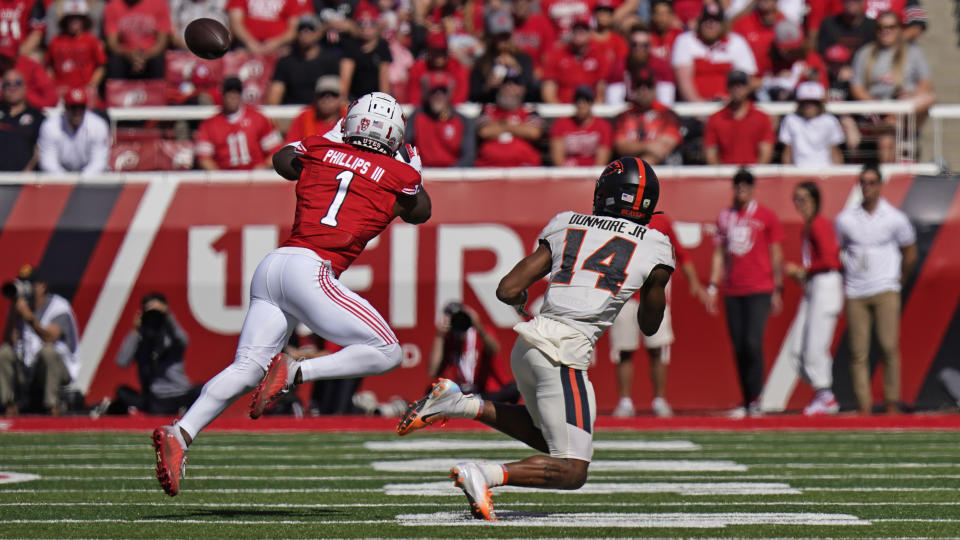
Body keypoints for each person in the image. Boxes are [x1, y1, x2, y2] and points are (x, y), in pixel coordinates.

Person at [152, 91, 431, 497]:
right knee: (386, 350)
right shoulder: (398, 173)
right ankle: (297, 371)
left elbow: (282, 161)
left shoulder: (320, 147)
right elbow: (419, 212)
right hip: (313, 271)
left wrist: (329, 139)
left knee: (247, 368)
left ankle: (180, 433)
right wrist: (414, 174)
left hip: (275, 265)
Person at [396, 157, 674, 520]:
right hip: (563, 353)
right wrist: (651, 283)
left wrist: (522, 302)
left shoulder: (566, 222)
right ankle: (484, 474)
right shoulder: (655, 245)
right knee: (573, 469)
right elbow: (650, 325)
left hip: (528, 345)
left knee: (550, 440)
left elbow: (507, 288)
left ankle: (460, 404)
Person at [608, 211, 708, 417]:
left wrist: (695, 283)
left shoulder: (660, 220)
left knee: (657, 350)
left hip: (653, 295)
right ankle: (625, 401)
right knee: (624, 351)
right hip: (625, 295)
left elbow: (680, 253)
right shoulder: (617, 218)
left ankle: (660, 399)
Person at [835, 164, 917, 414]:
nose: (867, 188)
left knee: (888, 345)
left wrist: (898, 281)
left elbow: (910, 252)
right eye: (863, 182)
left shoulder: (894, 217)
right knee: (858, 350)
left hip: (885, 288)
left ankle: (891, 399)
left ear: (881, 185)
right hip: (856, 291)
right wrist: (846, 275)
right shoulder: (846, 219)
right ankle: (864, 404)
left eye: (872, 182)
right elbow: (836, 251)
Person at [707, 168, 784, 418]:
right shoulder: (725, 216)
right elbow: (719, 253)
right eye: (738, 185)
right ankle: (746, 398)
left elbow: (776, 252)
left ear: (752, 188)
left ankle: (756, 396)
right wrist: (713, 284)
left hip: (759, 287)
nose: (741, 189)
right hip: (733, 288)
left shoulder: (765, 216)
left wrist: (777, 287)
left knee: (752, 342)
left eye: (746, 185)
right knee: (739, 345)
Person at [783, 181, 843, 415]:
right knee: (796, 349)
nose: (800, 204)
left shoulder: (818, 224)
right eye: (796, 199)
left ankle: (825, 395)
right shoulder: (809, 226)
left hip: (825, 285)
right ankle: (822, 392)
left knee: (815, 346)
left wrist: (802, 271)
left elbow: (830, 260)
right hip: (815, 285)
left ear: (815, 200)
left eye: (804, 199)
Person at [850, 11, 935, 163]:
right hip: (876, 111)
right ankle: (890, 183)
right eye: (881, 27)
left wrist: (910, 96)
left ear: (899, 29)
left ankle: (894, 120)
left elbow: (926, 84)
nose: (885, 31)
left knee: (929, 98)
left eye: (891, 27)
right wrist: (878, 105)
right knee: (887, 140)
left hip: (905, 110)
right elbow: (857, 88)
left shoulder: (912, 52)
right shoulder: (865, 53)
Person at [0, 265, 80, 416]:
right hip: (27, 368)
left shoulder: (59, 307)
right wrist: (13, 316)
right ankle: (8, 404)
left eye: (30, 284)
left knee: (48, 351)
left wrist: (30, 319)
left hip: (57, 369)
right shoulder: (18, 307)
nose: (26, 288)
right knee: (3, 352)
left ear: (42, 286)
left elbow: (50, 337)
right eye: (22, 283)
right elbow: (8, 342)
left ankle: (52, 405)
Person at [109, 292, 200, 415]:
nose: (154, 316)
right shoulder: (140, 340)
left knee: (202, 390)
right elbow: (122, 361)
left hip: (181, 392)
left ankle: (182, 409)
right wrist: (135, 331)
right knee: (122, 391)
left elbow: (183, 339)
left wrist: (168, 316)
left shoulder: (171, 337)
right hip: (156, 397)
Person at [429, 301, 518, 403]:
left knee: (514, 388)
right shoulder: (448, 340)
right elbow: (433, 371)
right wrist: (439, 337)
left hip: (487, 392)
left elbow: (494, 350)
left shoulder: (480, 334)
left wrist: (478, 326)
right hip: (462, 393)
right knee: (432, 392)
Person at [672, 3, 757, 102]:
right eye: (706, 20)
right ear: (699, 22)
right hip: (694, 109)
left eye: (715, 21)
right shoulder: (685, 41)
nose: (710, 24)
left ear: (722, 24)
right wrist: (700, 109)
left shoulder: (736, 42)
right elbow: (684, 81)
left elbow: (746, 80)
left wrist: (730, 103)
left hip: (729, 107)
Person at [194, 77, 284, 170]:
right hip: (224, 178)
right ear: (223, 95)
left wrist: (263, 168)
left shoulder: (258, 118)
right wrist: (219, 176)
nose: (233, 96)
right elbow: (204, 157)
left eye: (236, 92)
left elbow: (276, 151)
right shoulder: (210, 124)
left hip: (256, 178)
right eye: (229, 93)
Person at [612, 66, 682, 165]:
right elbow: (621, 146)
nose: (643, 90)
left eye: (648, 85)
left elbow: (663, 148)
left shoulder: (668, 115)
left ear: (655, 88)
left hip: (660, 172)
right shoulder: (623, 117)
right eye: (639, 85)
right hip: (628, 171)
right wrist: (647, 146)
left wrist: (640, 168)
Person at [266, 16, 342, 106]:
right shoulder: (285, 62)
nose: (305, 32)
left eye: (310, 28)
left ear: (319, 33)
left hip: (320, 112)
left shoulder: (330, 61)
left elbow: (337, 95)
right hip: (291, 113)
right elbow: (273, 99)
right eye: (301, 29)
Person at [404, 72, 475, 168]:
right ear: (427, 94)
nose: (438, 95)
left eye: (443, 91)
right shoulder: (416, 117)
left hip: (454, 175)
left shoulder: (462, 121)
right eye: (434, 91)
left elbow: (468, 157)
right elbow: (403, 150)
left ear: (449, 94)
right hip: (423, 173)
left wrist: (450, 174)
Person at [704, 70, 774, 165]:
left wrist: (752, 176)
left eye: (741, 84)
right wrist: (722, 175)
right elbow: (711, 154)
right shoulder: (716, 119)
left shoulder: (761, 118)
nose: (737, 88)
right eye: (733, 85)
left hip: (753, 175)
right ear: (728, 88)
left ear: (748, 88)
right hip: (725, 175)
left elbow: (766, 153)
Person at [474, 74, 543, 167]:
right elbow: (485, 132)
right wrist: (518, 126)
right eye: (505, 84)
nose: (509, 88)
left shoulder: (530, 111)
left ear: (523, 89)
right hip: (488, 165)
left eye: (515, 84)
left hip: (524, 166)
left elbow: (533, 133)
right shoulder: (487, 110)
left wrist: (503, 125)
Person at [37, 87, 109, 173]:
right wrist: (65, 181)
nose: (77, 112)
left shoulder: (98, 125)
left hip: (91, 179)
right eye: (73, 107)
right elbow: (48, 161)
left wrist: (81, 180)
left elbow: (99, 161)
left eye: (81, 107)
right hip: (58, 179)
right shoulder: (50, 125)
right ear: (66, 107)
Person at [541, 16, 610, 104]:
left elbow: (601, 92)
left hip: (590, 109)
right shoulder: (556, 55)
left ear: (590, 33)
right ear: (570, 32)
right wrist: (560, 110)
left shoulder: (599, 55)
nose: (580, 32)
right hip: (561, 108)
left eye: (584, 29)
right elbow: (548, 91)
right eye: (576, 29)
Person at [45, 0, 106, 96]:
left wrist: (92, 85)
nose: (75, 21)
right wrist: (52, 86)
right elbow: (49, 67)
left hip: (85, 91)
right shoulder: (56, 41)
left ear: (84, 20)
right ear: (66, 20)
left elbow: (101, 67)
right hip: (61, 91)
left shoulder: (92, 40)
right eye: (71, 18)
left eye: (78, 18)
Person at [779, 81, 845, 166]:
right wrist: (789, 174)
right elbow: (787, 151)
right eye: (805, 102)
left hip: (825, 171)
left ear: (820, 103)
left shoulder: (830, 120)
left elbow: (834, 150)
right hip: (799, 170)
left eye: (813, 102)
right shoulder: (790, 120)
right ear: (800, 103)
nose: (809, 106)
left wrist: (838, 174)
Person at [103, 0, 171, 79]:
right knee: (115, 62)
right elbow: (112, 43)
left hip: (151, 54)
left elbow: (162, 42)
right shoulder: (112, 5)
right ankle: (116, 90)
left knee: (158, 61)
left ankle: (158, 89)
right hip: (125, 54)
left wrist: (144, 57)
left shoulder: (160, 3)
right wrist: (129, 55)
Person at [548, 85, 612, 167]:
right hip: (566, 173)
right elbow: (557, 158)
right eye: (578, 101)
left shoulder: (603, 126)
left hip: (593, 173)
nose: (581, 105)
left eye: (586, 101)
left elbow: (601, 160)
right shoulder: (561, 124)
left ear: (591, 103)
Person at [339, 6, 392, 100]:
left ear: (377, 25)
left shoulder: (383, 47)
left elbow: (384, 82)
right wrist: (344, 102)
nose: (366, 27)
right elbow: (345, 82)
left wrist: (383, 101)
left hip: (375, 99)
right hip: (354, 99)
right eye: (361, 23)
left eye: (371, 23)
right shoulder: (351, 46)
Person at [406, 31, 469, 107]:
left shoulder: (457, 67)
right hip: (424, 111)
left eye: (442, 51)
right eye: (435, 51)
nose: (439, 56)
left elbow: (459, 99)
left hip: (450, 112)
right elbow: (414, 99)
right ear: (428, 52)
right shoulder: (418, 68)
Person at [0, 69, 42, 171]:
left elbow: (42, 150)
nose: (12, 87)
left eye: (17, 83)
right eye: (7, 83)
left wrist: (27, 173)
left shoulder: (38, 117)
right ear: (2, 88)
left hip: (25, 181)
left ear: (25, 87)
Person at [227, 0, 303, 55]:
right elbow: (235, 23)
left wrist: (273, 44)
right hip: (245, 46)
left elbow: (293, 30)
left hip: (278, 49)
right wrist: (251, 43)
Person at [284, 76, 344, 143]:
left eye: (333, 94)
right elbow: (290, 145)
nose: (327, 99)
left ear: (341, 98)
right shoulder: (303, 118)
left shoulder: (349, 119)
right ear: (315, 97)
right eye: (322, 94)